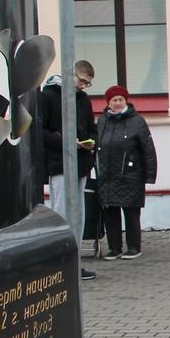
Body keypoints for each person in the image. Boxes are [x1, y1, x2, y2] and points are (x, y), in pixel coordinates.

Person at [39, 60, 99, 280]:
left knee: (78, 215)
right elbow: (40, 130)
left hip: (81, 163)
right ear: (70, 74)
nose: (84, 86)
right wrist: (64, 141)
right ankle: (57, 263)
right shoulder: (49, 96)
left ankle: (73, 262)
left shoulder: (82, 99)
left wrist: (90, 141)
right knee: (61, 211)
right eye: (82, 80)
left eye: (88, 83)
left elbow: (92, 129)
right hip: (60, 163)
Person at [96, 85, 158, 261]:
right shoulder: (102, 121)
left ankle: (133, 247)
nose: (117, 103)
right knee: (110, 212)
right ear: (108, 103)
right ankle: (114, 247)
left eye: (120, 100)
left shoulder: (137, 121)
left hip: (130, 175)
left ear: (126, 101)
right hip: (107, 175)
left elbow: (148, 149)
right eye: (114, 100)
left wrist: (149, 175)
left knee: (131, 212)